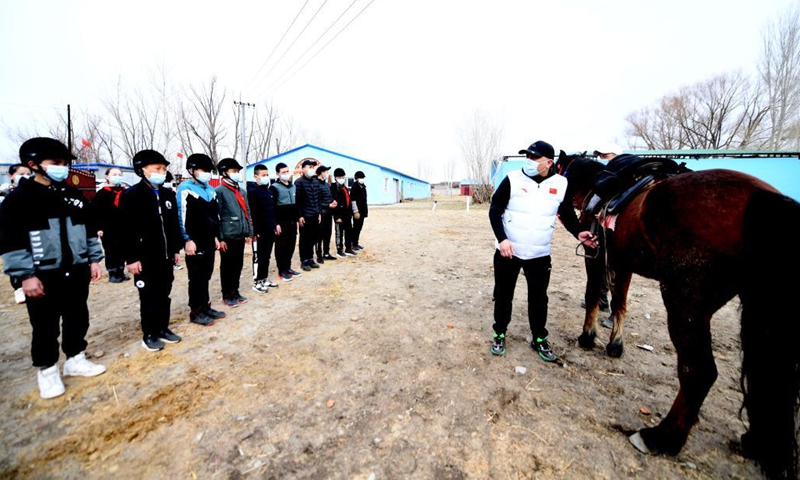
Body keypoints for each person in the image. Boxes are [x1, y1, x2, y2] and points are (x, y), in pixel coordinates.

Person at [0, 137, 107, 399]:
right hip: (42, 275)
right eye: (55, 163)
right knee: (45, 325)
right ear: (33, 164)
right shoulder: (18, 201)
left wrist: (93, 259)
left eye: (65, 163)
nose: (63, 168)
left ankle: (75, 359)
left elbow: (89, 231)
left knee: (77, 316)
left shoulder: (73, 195)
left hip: (77, 268)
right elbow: (11, 242)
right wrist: (25, 276)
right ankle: (47, 371)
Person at [488, 140, 595, 362]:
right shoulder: (512, 179)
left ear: (548, 162)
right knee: (503, 295)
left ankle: (539, 338)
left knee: (538, 298)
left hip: (539, 254)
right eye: (527, 156)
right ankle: (499, 333)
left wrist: (579, 233)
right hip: (509, 252)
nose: (529, 161)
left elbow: (566, 214)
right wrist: (503, 240)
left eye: (534, 158)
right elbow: (495, 210)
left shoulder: (561, 184)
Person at [120, 150, 183, 351]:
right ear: (143, 170)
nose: (162, 172)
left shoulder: (167, 194)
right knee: (148, 296)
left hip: (165, 256)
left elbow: (173, 224)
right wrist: (131, 258)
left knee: (165, 293)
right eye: (157, 168)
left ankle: (163, 328)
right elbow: (125, 229)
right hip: (144, 258)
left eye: (164, 169)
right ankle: (149, 333)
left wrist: (175, 249)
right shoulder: (132, 195)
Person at [177, 153, 225, 326]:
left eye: (209, 170)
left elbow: (214, 216)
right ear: (192, 170)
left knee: (206, 274)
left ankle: (206, 306)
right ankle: (196, 311)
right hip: (194, 240)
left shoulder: (210, 190)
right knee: (196, 276)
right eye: (203, 170)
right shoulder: (185, 188)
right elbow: (180, 216)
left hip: (208, 239)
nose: (207, 173)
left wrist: (215, 237)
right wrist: (186, 239)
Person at [215, 158, 253, 307]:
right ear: (224, 173)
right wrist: (220, 238)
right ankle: (227, 294)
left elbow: (247, 212)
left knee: (238, 264)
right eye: (234, 171)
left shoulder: (241, 191)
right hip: (228, 235)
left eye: (238, 171)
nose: (237, 174)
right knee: (227, 266)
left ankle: (235, 291)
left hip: (240, 234)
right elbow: (217, 217)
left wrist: (249, 231)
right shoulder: (220, 191)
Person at [89, 167, 130, 283]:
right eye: (114, 174)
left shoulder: (125, 192)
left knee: (122, 249)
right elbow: (95, 213)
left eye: (119, 174)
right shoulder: (101, 194)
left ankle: (121, 271)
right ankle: (113, 272)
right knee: (111, 250)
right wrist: (98, 227)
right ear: (107, 177)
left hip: (122, 227)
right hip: (108, 228)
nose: (117, 176)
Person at [247, 164, 280, 293]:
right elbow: (253, 214)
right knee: (258, 256)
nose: (266, 177)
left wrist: (274, 225)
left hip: (269, 229)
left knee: (266, 256)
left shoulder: (269, 191)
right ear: (256, 176)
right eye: (263, 175)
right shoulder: (252, 192)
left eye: (267, 175)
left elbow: (272, 211)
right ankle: (257, 281)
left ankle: (264, 278)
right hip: (259, 231)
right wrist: (254, 231)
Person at [270, 162, 302, 282]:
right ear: (278, 174)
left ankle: (288, 268)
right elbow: (272, 207)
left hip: (292, 222)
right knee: (281, 246)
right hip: (281, 222)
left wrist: (298, 218)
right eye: (283, 172)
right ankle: (281, 270)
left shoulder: (293, 186)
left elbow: (296, 204)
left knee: (291, 245)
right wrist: (275, 223)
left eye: (287, 171)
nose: (286, 174)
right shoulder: (274, 188)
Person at [295, 159, 322, 271]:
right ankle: (304, 260)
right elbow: (297, 201)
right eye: (309, 167)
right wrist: (299, 216)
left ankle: (310, 259)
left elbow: (318, 199)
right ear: (303, 169)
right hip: (305, 216)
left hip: (315, 215)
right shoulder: (299, 182)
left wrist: (319, 212)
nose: (311, 169)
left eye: (312, 167)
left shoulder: (315, 181)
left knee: (313, 238)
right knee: (305, 239)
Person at [315, 165, 338, 263]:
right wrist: (327, 205)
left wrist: (333, 202)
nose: (327, 173)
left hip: (329, 213)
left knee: (328, 234)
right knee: (319, 235)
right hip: (321, 214)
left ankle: (326, 253)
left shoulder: (327, 185)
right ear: (321, 172)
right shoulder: (316, 184)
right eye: (326, 172)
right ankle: (319, 255)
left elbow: (329, 197)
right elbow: (316, 201)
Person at [331, 168, 354, 257]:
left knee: (348, 231)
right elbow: (334, 203)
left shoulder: (344, 187)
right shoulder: (333, 188)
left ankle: (348, 248)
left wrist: (351, 213)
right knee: (339, 233)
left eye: (343, 177)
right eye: (339, 177)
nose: (342, 179)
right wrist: (337, 216)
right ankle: (339, 250)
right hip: (339, 214)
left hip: (347, 214)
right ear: (336, 178)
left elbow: (348, 201)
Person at [350, 170, 368, 251]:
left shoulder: (363, 186)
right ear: (356, 178)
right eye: (361, 178)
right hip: (357, 211)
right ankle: (353, 244)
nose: (362, 179)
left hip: (363, 210)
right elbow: (353, 199)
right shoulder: (355, 186)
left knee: (359, 227)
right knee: (356, 228)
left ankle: (356, 243)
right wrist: (355, 211)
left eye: (363, 178)